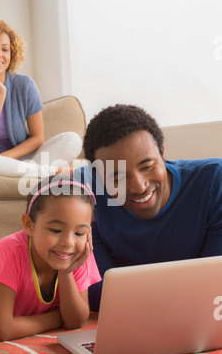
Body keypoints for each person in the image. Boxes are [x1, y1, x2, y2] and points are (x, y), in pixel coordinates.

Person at [74, 104, 222, 311]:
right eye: (118, 177)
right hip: (134, 321)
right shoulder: (84, 192)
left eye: (147, 166)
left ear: (162, 152)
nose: (139, 186)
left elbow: (216, 284)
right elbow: (95, 290)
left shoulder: (214, 181)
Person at [0, 177, 101, 341]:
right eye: (56, 230)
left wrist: (66, 273)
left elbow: (75, 321)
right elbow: (1, 331)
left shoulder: (77, 254)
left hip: (5, 267)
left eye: (79, 233)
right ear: (29, 225)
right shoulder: (9, 249)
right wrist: (58, 318)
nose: (68, 242)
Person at [0, 20, 82, 178]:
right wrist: (0, 94)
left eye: (5, 49)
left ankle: (22, 171)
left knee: (72, 139)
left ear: (11, 55)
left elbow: (37, 138)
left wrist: (2, 158)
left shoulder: (25, 84)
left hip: (21, 158)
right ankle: (49, 172)